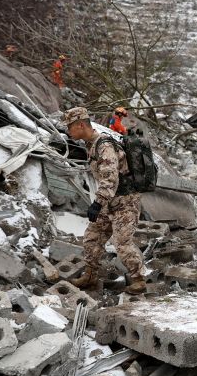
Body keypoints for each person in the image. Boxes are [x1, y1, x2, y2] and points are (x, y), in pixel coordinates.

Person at [61, 107, 146, 293]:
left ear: (81, 125)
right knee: (92, 237)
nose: (68, 132)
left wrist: (97, 203)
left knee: (122, 242)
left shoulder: (104, 146)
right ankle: (90, 276)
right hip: (109, 202)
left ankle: (138, 279)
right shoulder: (91, 145)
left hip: (125, 202)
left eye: (70, 127)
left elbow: (110, 178)